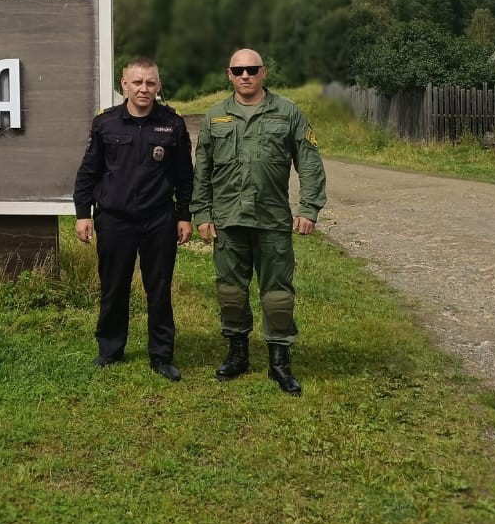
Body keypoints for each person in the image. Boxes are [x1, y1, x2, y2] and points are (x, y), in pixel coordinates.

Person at [192, 48, 326, 394]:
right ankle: (237, 355)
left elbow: (309, 162)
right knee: (231, 293)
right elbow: (202, 169)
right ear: (229, 75)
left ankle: (279, 363)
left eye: (252, 69)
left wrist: (308, 208)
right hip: (229, 220)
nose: (245, 76)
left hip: (271, 221)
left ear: (263, 72)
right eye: (238, 71)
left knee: (278, 295)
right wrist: (201, 212)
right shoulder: (216, 116)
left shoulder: (287, 112)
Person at [73, 57, 194, 380]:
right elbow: (88, 172)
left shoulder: (173, 124)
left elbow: (185, 176)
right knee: (114, 286)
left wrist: (184, 216)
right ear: (124, 84)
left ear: (158, 85)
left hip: (159, 219)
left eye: (150, 83)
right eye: (137, 82)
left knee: (159, 288)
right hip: (114, 219)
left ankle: (161, 355)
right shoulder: (105, 123)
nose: (144, 89)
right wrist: (83, 214)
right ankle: (110, 349)